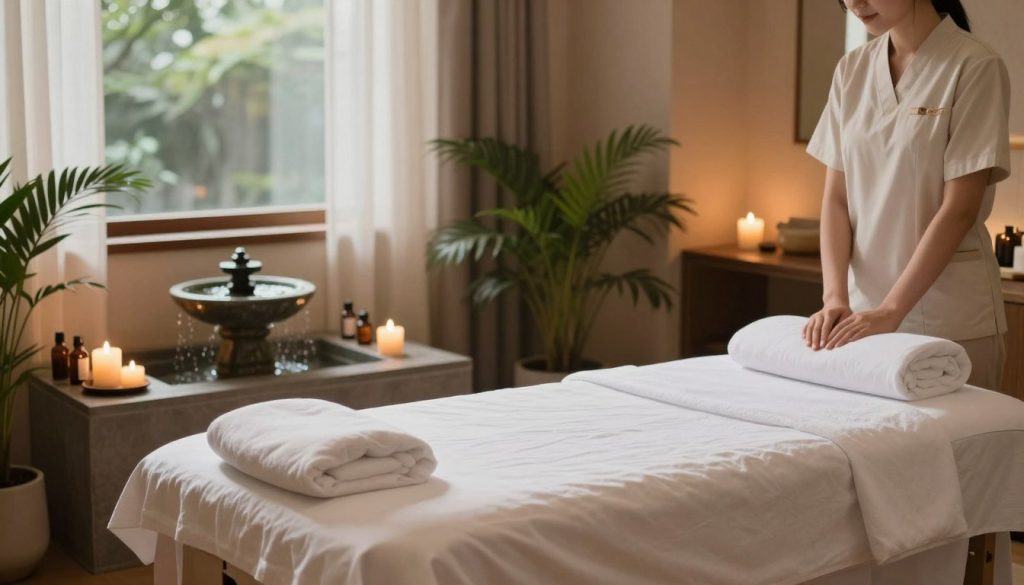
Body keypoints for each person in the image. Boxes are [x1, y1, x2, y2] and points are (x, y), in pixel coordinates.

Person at [804, 0, 1011, 391]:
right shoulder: (852, 70)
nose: (855, 3)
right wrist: (834, 298)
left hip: (948, 320)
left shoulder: (973, 66)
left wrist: (891, 310)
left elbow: (959, 210)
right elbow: (835, 200)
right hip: (862, 321)